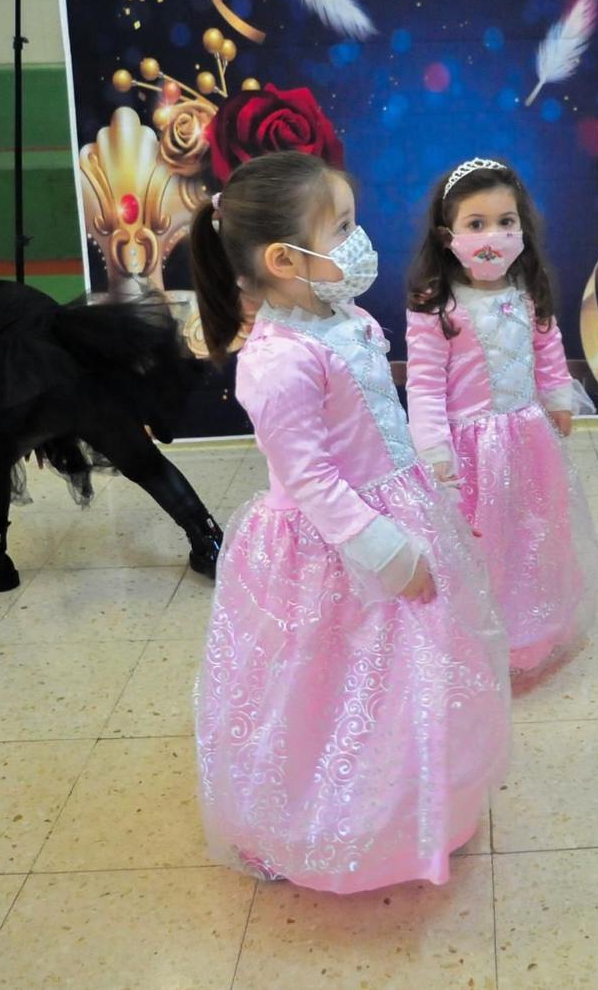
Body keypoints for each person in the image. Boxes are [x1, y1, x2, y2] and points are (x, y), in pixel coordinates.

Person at [188, 151, 509, 891]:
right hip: (332, 550)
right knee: (322, 683)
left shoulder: (340, 315)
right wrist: (387, 551)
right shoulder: (276, 362)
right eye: (342, 227)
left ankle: (418, 802)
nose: (358, 240)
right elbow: (312, 481)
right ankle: (303, 822)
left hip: (394, 507)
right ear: (281, 257)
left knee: (408, 674)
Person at [0, 224, 225, 590]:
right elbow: (61, 340)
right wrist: (52, 426)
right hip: (89, 383)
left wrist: (27, 430)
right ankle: (210, 542)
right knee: (144, 462)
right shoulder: (9, 290)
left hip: (25, 399)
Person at [404, 157, 598, 676]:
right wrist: (434, 451)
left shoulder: (527, 289)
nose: (494, 234)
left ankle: (528, 627)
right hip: (471, 454)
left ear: (522, 227)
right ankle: (475, 633)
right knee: (480, 541)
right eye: (476, 224)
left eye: (506, 222)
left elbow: (548, 347)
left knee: (530, 530)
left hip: (527, 438)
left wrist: (558, 397)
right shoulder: (437, 306)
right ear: (449, 236)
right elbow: (423, 387)